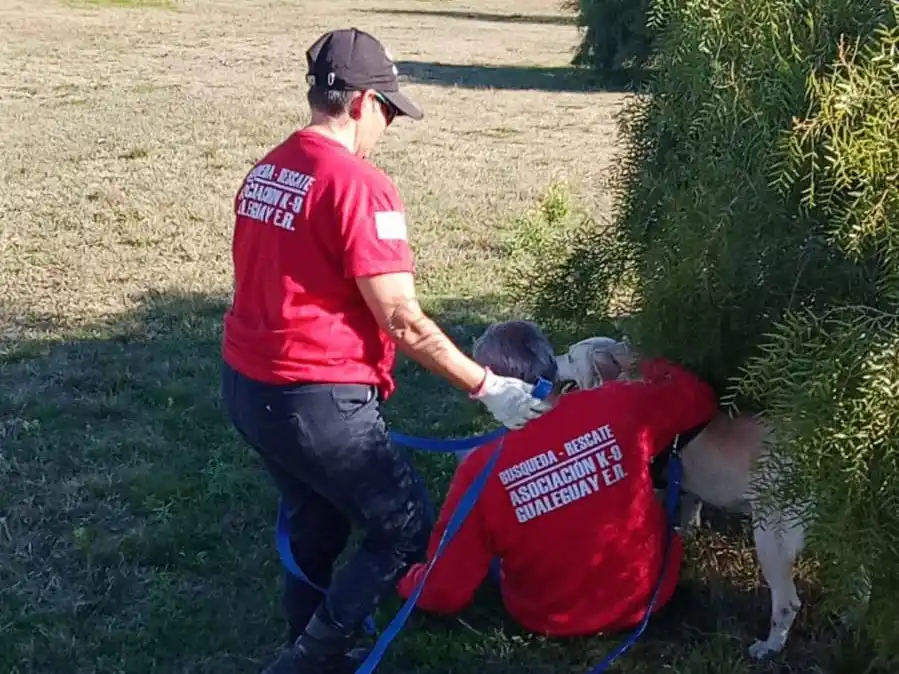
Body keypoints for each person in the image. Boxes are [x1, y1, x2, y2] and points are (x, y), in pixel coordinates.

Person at [218, 28, 551, 674]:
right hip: (316, 399)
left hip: (247, 388)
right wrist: (487, 387)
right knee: (401, 526)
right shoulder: (359, 186)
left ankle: (310, 641)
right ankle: (311, 658)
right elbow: (401, 318)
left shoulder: (268, 170)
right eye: (390, 111)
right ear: (364, 102)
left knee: (316, 517)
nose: (388, 125)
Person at [396, 320, 718, 637]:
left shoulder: (479, 470)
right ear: (551, 366)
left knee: (489, 537)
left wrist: (404, 578)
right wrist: (635, 359)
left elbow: (444, 592)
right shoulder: (618, 403)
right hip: (650, 591)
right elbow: (698, 397)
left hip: (552, 617)